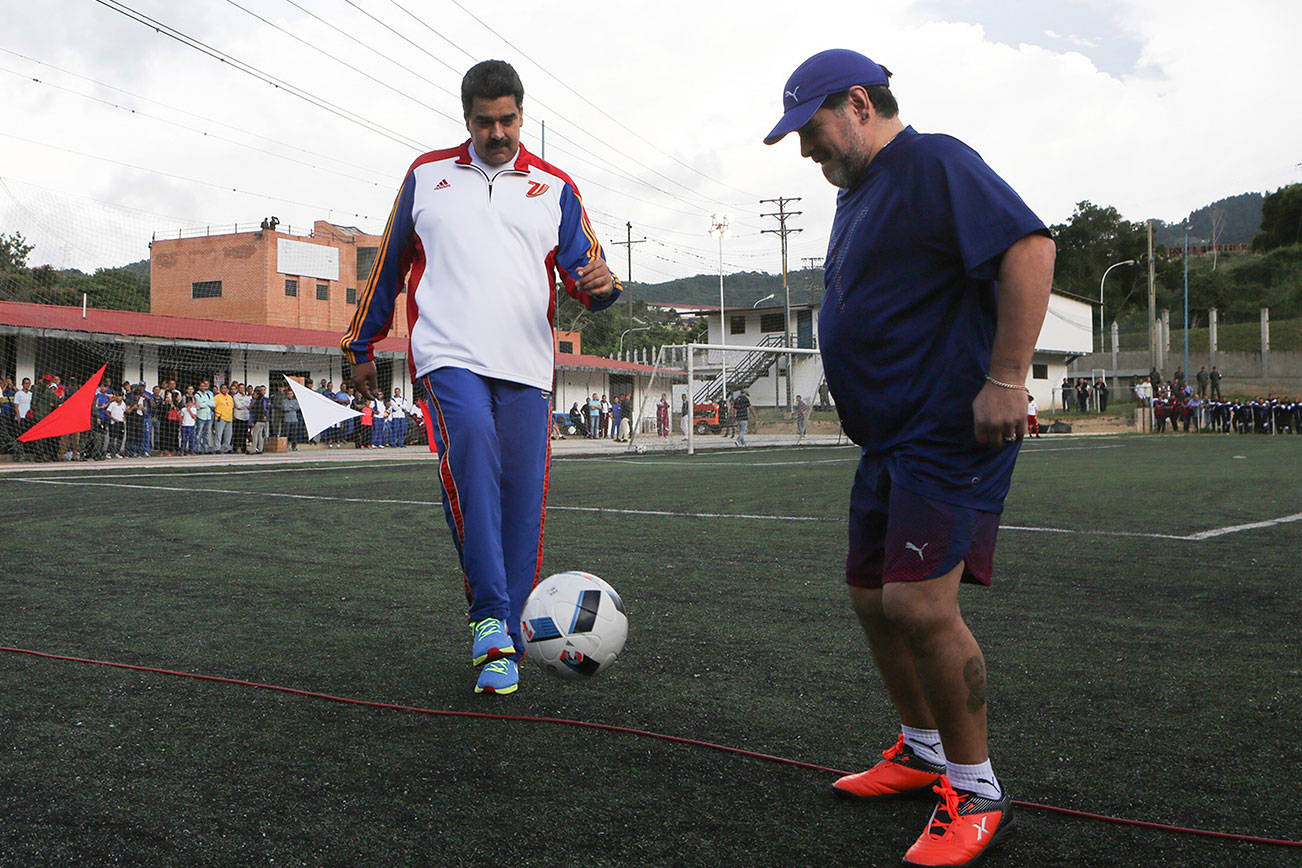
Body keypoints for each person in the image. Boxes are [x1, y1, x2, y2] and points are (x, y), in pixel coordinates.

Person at [765, 48, 1054, 866]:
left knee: (920, 605)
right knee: (869, 597)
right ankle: (922, 750)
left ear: (857, 103)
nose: (806, 150)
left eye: (811, 129)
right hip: (889, 439)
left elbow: (1031, 249)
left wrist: (1006, 378)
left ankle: (976, 789)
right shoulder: (860, 193)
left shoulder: (933, 160)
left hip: (945, 429)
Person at [341, 59, 620, 695]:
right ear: (465, 118)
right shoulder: (426, 176)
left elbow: (587, 273)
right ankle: (489, 619)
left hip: (526, 364)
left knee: (522, 491)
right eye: (485, 121)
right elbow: (387, 266)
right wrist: (361, 343)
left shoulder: (555, 187)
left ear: (523, 114)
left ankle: (514, 635)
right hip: (447, 355)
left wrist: (601, 289)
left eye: (509, 120)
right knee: (470, 453)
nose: (498, 132)